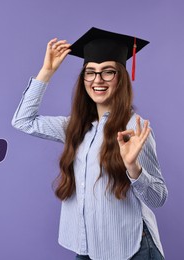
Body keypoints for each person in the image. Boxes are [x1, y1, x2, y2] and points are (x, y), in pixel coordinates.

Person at [11, 27, 167, 260]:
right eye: (90, 72)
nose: (97, 80)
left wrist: (133, 168)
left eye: (107, 72)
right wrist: (47, 71)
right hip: (87, 248)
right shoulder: (75, 127)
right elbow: (23, 121)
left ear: (121, 77)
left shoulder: (133, 129)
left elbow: (158, 198)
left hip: (130, 248)